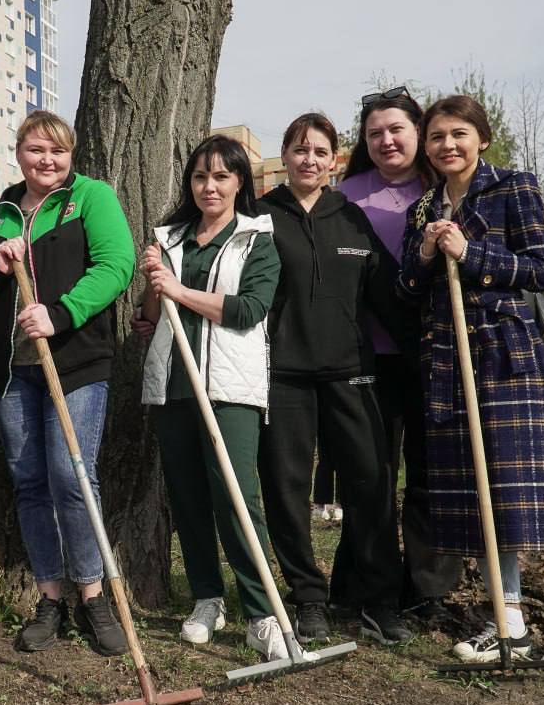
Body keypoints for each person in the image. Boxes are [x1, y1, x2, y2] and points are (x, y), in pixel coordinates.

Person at [401, 95, 544, 672]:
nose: (447, 145)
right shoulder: (424, 209)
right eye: (436, 136)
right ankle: (507, 617)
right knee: (483, 494)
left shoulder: (513, 187)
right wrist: (424, 254)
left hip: (508, 359)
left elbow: (543, 269)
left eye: (458, 134)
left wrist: (472, 253)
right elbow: (406, 289)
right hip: (449, 364)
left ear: (481, 139)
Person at [0, 111, 133, 656]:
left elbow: (116, 266)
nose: (47, 160)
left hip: (76, 364)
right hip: (14, 372)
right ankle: (50, 598)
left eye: (57, 150)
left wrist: (59, 314)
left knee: (71, 475)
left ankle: (93, 595)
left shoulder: (91, 198)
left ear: (70, 154)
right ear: (19, 154)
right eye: (36, 149)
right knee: (30, 482)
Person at [256, 113, 416, 648]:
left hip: (352, 371)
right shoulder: (258, 217)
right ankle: (307, 597)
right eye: (300, 150)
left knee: (371, 484)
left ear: (334, 161)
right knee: (286, 488)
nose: (310, 160)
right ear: (285, 156)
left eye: (320, 152)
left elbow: (389, 295)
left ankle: (379, 601)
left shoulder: (352, 219)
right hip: (282, 376)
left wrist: (426, 344)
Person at [136, 134, 289, 658]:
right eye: (201, 176)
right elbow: (152, 313)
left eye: (222, 176)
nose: (210, 186)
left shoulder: (256, 238)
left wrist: (179, 290)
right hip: (174, 383)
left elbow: (248, 310)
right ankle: (207, 598)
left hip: (229, 386)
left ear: (240, 182)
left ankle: (262, 612)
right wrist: (153, 287)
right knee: (188, 496)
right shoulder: (171, 238)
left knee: (236, 496)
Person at [338, 89, 461, 623]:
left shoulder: (447, 191)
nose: (386, 140)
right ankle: (368, 585)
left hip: (436, 354)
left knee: (433, 474)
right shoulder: (344, 197)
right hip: (367, 358)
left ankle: (429, 590)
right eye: (374, 133)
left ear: (418, 132)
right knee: (372, 476)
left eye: (396, 129)